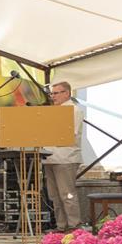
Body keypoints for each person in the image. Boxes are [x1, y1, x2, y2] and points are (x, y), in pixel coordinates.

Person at [44, 81, 85, 231]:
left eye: (56, 93)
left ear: (67, 93)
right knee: (54, 195)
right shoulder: (54, 110)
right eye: (52, 93)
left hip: (66, 158)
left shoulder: (73, 110)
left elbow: (69, 133)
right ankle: (61, 226)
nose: (53, 96)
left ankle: (74, 225)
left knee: (67, 194)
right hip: (50, 157)